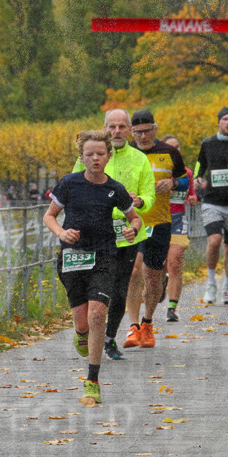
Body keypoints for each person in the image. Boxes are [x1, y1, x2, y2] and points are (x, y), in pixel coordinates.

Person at [45, 130, 142, 405]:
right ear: (82, 157)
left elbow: (134, 218)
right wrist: (61, 234)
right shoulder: (69, 184)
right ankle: (80, 333)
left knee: (99, 314)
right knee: (83, 322)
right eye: (89, 155)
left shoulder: (115, 188)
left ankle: (93, 380)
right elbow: (49, 216)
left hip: (104, 255)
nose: (95, 159)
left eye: (100, 154)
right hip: (73, 257)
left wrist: (133, 230)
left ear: (109, 156)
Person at [72, 109, 154, 361]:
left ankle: (108, 339)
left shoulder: (139, 159)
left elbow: (150, 197)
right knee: (90, 289)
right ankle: (84, 330)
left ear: (129, 130)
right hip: (95, 235)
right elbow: (74, 187)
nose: (117, 131)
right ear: (105, 129)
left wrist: (140, 202)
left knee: (119, 289)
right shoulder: (90, 155)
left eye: (122, 127)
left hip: (127, 234)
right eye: (112, 127)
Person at [122, 109, 188, 349]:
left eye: (147, 131)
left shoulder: (169, 152)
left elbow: (185, 179)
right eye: (137, 132)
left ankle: (147, 323)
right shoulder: (125, 153)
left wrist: (173, 182)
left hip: (159, 222)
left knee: (152, 276)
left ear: (155, 129)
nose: (142, 136)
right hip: (131, 221)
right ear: (132, 132)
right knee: (132, 272)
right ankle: (133, 326)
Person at [196, 107, 228, 306]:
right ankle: (210, 283)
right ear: (219, 122)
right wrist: (199, 176)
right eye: (225, 119)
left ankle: (227, 285)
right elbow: (199, 164)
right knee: (215, 240)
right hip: (212, 201)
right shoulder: (208, 143)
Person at [162, 134, 196, 322]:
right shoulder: (155, 171)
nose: (174, 150)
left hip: (178, 220)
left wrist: (192, 199)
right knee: (160, 266)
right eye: (170, 147)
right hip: (159, 221)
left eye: (177, 147)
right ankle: (161, 282)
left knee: (174, 262)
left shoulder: (187, 173)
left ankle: (172, 308)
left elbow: (192, 194)